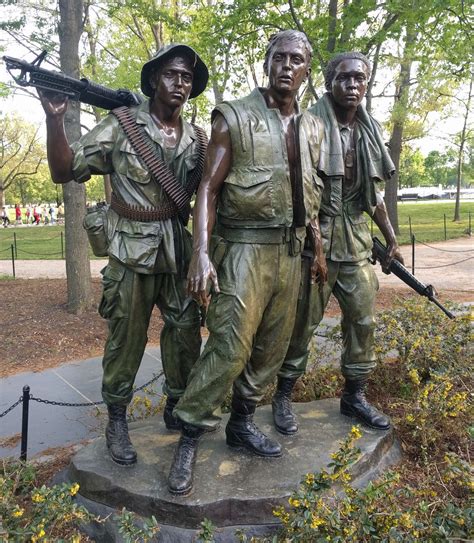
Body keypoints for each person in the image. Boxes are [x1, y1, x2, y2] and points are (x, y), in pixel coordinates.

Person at [167, 30, 327, 496]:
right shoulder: (233, 117)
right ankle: (191, 434)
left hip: (290, 252)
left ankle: (242, 423)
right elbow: (207, 190)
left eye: (297, 60)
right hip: (242, 248)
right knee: (230, 346)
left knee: (270, 349)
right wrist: (200, 251)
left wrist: (316, 247)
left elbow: (311, 195)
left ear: (306, 71)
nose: (287, 66)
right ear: (266, 63)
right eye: (279, 57)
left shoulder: (312, 126)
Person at [38, 43, 209, 466]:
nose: (180, 83)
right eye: (171, 74)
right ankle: (117, 418)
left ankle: (177, 404)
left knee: (186, 331)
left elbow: (210, 194)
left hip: (178, 249)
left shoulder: (198, 138)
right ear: (153, 79)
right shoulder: (121, 125)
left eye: (187, 77)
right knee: (126, 338)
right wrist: (55, 120)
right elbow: (65, 171)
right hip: (132, 249)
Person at [274, 52, 404, 435]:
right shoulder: (308, 125)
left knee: (363, 320)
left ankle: (355, 396)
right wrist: (315, 243)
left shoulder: (367, 129)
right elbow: (301, 190)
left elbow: (372, 195)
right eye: (344, 79)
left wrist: (391, 239)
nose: (352, 86)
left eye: (360, 80)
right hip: (318, 242)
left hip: (358, 242)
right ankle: (282, 395)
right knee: (303, 324)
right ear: (330, 82)